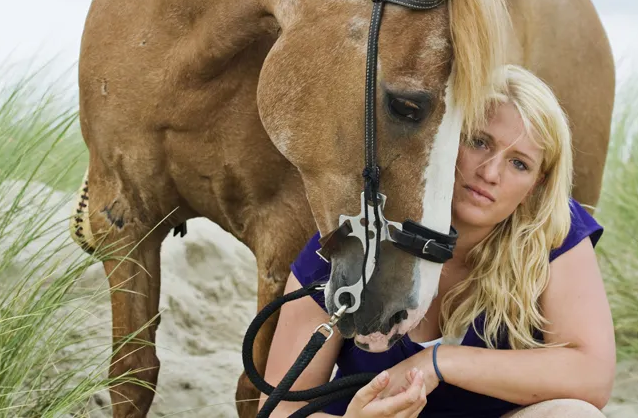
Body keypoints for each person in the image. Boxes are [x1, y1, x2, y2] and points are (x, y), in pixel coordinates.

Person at [260, 65, 615, 417]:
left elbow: (591, 376)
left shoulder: (553, 230)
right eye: (479, 142)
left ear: (536, 184)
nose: (490, 173)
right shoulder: (358, 234)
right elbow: (277, 410)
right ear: (446, 138)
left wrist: (439, 361)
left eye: (519, 164)